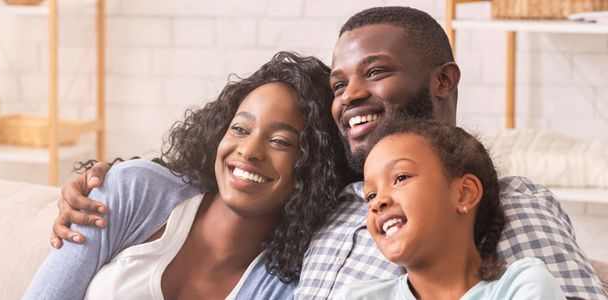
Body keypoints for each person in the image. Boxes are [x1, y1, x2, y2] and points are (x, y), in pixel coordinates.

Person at [50, 6, 608, 299]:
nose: (351, 96)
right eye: (339, 84)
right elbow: (220, 183)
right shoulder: (325, 205)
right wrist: (98, 177)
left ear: (443, 82)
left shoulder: (506, 203)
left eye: (377, 72)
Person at [24, 52, 353, 299]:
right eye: (239, 128)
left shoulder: (283, 285)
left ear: (314, 167)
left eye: (281, 141)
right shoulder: (134, 191)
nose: (249, 150)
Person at [334, 118, 565, 299]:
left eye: (401, 177)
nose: (377, 202)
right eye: (370, 195)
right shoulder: (356, 296)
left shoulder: (523, 285)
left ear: (464, 193)